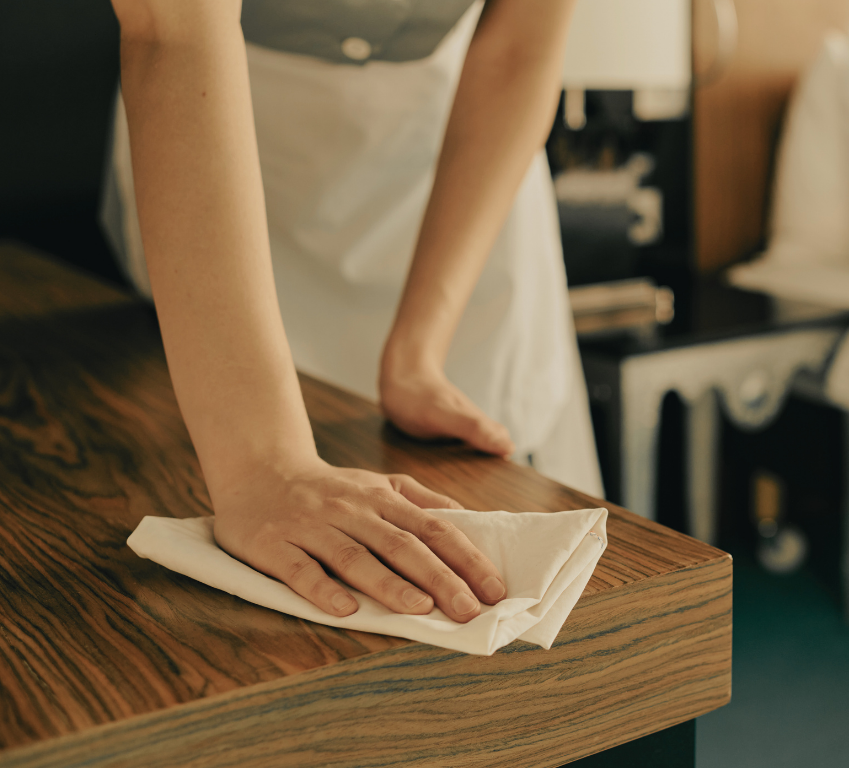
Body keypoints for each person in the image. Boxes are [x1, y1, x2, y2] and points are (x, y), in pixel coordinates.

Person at [105, 0, 601, 622]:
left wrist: (419, 353)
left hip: (450, 158)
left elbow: (517, 49)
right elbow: (174, 30)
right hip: (223, 138)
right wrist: (264, 466)